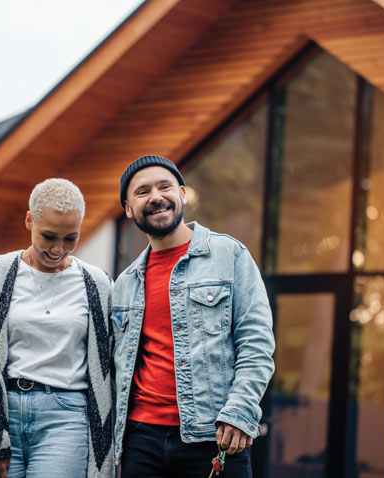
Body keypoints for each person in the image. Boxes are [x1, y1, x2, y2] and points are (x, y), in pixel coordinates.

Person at [112, 155, 275, 477]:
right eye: (142, 192)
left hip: (214, 435)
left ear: (182, 194)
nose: (156, 197)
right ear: (129, 209)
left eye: (164, 187)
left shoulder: (229, 255)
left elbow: (256, 342)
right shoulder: (125, 283)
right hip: (140, 441)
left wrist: (240, 411)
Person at [0, 179, 114, 478]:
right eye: (48, 236)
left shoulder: (98, 283)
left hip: (67, 417)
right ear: (29, 220)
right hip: (3, 413)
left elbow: (109, 364)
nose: (58, 249)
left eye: (69, 238)